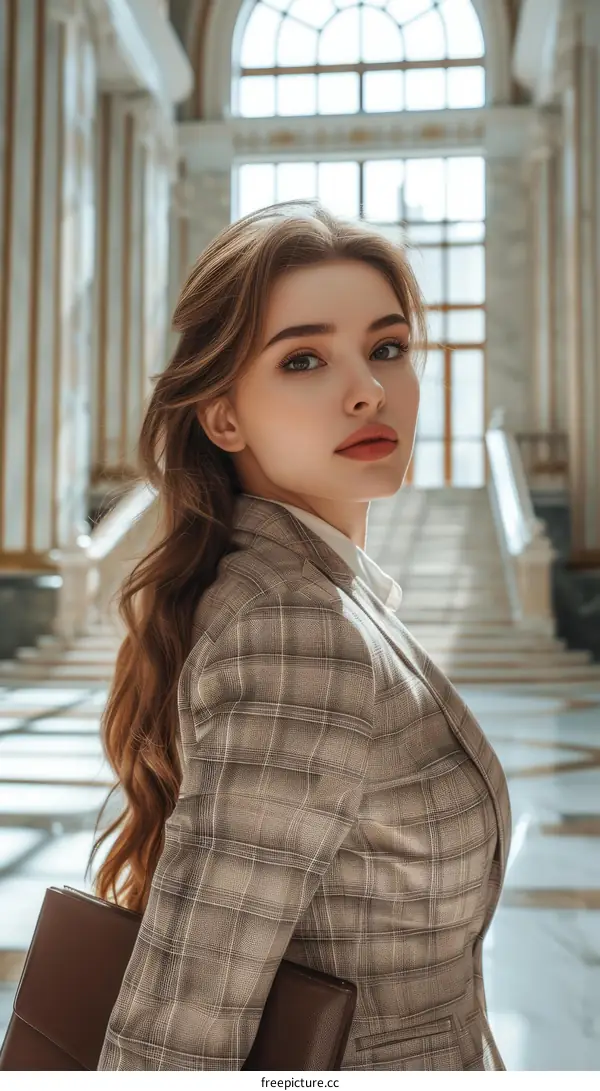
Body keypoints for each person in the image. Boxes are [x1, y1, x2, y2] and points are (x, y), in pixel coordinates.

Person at [92, 199, 512, 1071]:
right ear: (223, 416)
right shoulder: (295, 629)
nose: (367, 388)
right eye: (304, 359)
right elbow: (184, 1015)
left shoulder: (318, 591)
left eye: (388, 348)